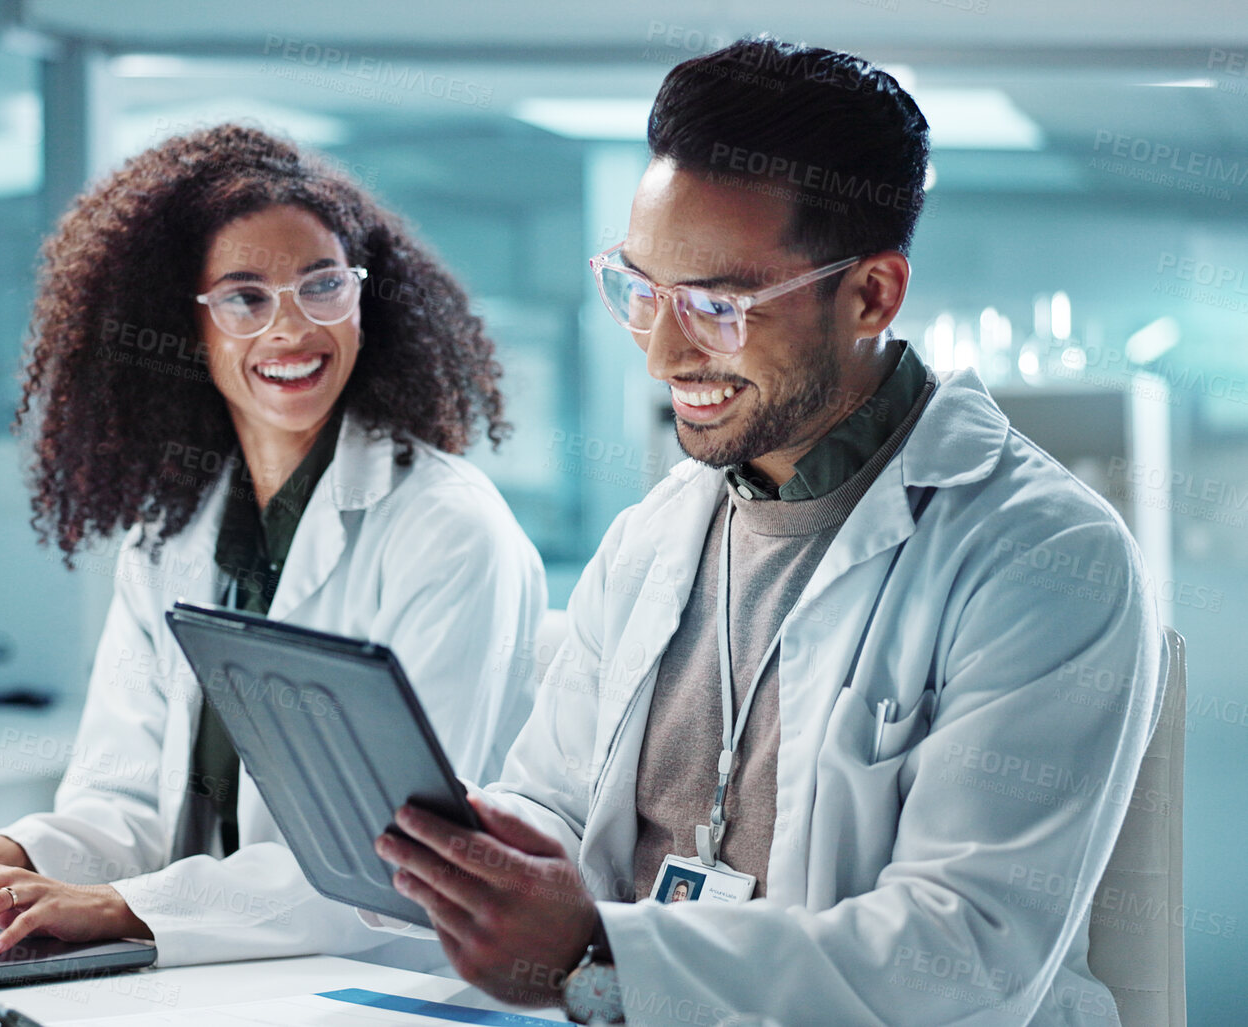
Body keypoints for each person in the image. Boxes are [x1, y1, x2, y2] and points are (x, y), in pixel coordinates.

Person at [373, 39, 1161, 1025]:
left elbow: (958, 956)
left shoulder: (1041, 557)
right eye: (641, 292)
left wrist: (599, 947)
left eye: (718, 304)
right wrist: (486, 847)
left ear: (870, 294)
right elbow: (559, 801)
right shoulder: (656, 531)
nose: (663, 351)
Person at [0, 124, 547, 968]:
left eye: (321, 284)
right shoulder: (171, 534)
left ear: (362, 297)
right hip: (211, 980)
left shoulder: (448, 531)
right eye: (244, 296)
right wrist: (17, 860)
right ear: (184, 325)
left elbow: (396, 866)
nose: (291, 329)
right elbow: (120, 798)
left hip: (382, 985)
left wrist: (123, 905)